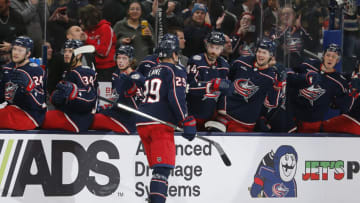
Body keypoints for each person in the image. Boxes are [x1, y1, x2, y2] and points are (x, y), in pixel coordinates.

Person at [136, 37, 196, 203]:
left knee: (157, 170)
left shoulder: (151, 71)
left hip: (143, 122)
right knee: (162, 170)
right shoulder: (175, 70)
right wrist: (185, 120)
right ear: (175, 53)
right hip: (159, 123)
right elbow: (176, 97)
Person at [207, 39, 282, 132]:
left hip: (244, 123)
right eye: (259, 51)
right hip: (224, 116)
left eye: (264, 53)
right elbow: (227, 80)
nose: (260, 55)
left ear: (271, 55)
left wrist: (277, 88)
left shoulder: (271, 77)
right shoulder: (241, 62)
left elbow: (271, 104)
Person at [287, 43, 351, 133]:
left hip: (312, 124)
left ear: (337, 60)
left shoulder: (339, 82)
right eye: (328, 55)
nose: (330, 58)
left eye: (334, 56)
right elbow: (291, 71)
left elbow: (343, 105)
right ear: (323, 56)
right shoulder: (309, 64)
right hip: (292, 117)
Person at [41, 39, 98, 132]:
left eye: (70, 51)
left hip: (78, 119)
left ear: (79, 55)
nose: (66, 54)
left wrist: (75, 94)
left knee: (39, 119)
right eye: (65, 51)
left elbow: (89, 100)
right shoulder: (69, 72)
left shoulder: (84, 72)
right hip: (72, 115)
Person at [90, 45, 144, 133]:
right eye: (119, 58)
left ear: (131, 60)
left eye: (124, 58)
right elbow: (115, 99)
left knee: (91, 121)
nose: (120, 61)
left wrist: (129, 83)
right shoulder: (116, 76)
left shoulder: (136, 78)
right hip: (118, 114)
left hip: (129, 120)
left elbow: (137, 104)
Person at [0, 36, 46, 130]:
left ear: (28, 53)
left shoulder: (35, 70)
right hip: (12, 109)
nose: (16, 53)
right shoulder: (8, 68)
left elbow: (39, 102)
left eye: (20, 50)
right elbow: (2, 96)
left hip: (30, 115)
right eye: (14, 49)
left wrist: (29, 88)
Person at [186, 31, 230, 130]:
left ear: (222, 49)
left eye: (217, 48)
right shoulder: (196, 61)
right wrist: (210, 85)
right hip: (192, 114)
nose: (213, 51)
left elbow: (225, 92)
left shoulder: (224, 66)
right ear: (206, 45)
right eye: (211, 47)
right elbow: (189, 87)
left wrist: (222, 111)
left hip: (211, 117)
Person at [79, 4, 116, 81]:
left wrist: (87, 40)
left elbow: (103, 52)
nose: (82, 22)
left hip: (106, 69)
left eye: (85, 20)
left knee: (104, 92)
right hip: (91, 67)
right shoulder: (87, 30)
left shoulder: (105, 28)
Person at [113, 0, 155, 65]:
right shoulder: (119, 25)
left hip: (143, 64)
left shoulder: (146, 25)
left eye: (137, 9)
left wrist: (150, 37)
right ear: (128, 11)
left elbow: (154, 45)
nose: (135, 11)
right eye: (132, 9)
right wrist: (121, 41)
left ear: (141, 12)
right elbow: (111, 44)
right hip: (125, 64)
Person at [0, 0, 27, 67]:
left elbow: (24, 39)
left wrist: (13, 46)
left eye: (0, 7)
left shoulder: (16, 17)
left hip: (14, 56)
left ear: (8, 3)